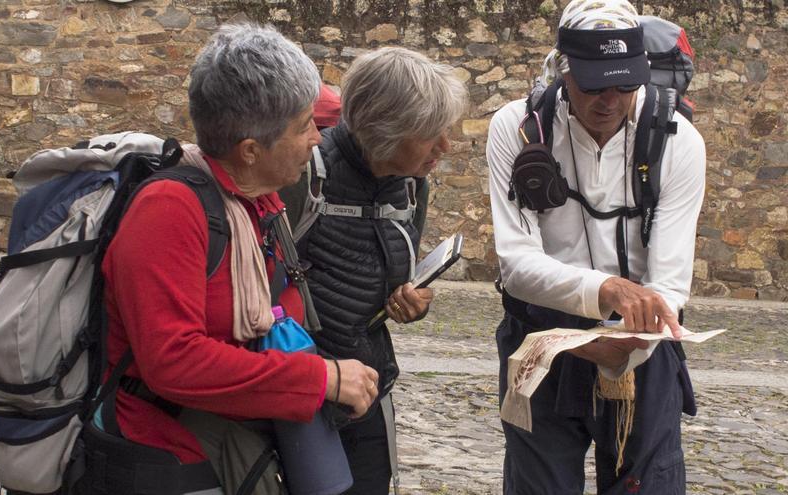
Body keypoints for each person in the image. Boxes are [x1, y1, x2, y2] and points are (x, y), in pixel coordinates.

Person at [96, 23, 379, 494]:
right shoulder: (169, 211)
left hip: (232, 443)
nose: (317, 138)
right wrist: (319, 378)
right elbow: (174, 362)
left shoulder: (259, 202)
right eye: (304, 125)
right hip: (166, 459)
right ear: (250, 150)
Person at [486, 0, 706, 493]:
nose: (610, 99)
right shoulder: (517, 129)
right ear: (564, 72)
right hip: (540, 341)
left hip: (641, 348)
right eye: (593, 84)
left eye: (627, 83)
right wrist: (607, 291)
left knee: (648, 485)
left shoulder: (679, 141)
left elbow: (669, 283)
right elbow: (517, 265)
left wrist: (626, 342)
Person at [279, 47, 467, 494]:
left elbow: (397, 279)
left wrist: (411, 302)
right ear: (385, 130)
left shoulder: (410, 185)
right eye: (430, 134)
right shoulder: (303, 177)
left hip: (369, 385)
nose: (445, 146)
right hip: (300, 391)